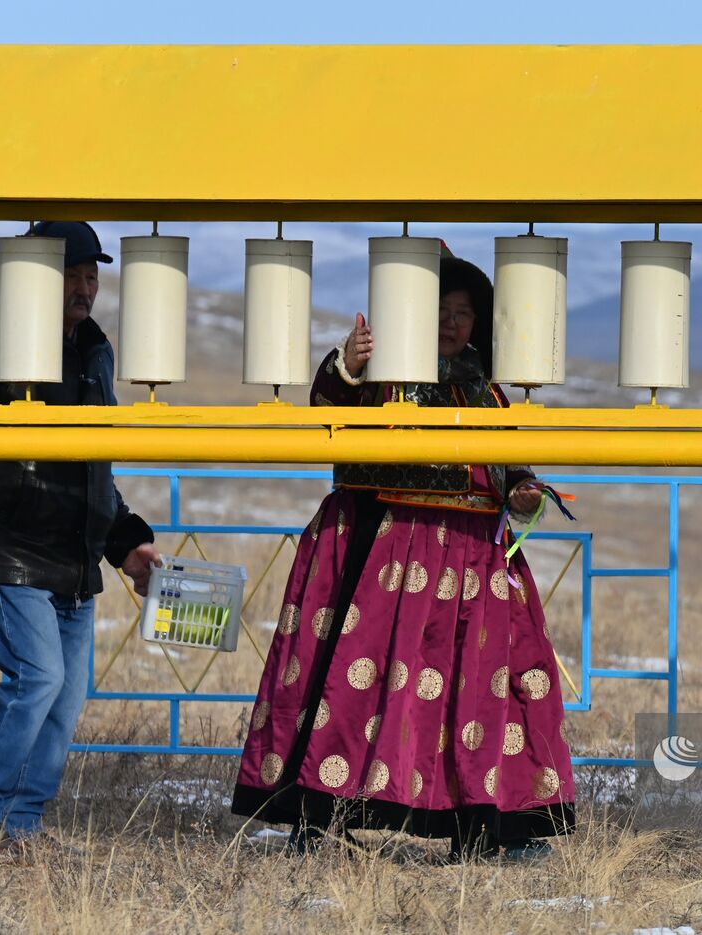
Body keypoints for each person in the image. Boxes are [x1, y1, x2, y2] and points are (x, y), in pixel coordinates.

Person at [231, 256, 575, 861]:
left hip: (473, 560)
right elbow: (329, 405)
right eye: (439, 311)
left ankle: (490, 828)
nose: (449, 323)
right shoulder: (381, 376)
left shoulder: (488, 389)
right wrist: (348, 365)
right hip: (386, 549)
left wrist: (522, 493)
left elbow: (508, 470)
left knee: (480, 691)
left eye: (462, 314)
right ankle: (318, 820)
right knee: (352, 682)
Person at [0, 221, 161, 858]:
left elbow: (94, 465)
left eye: (93, 274)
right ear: (39, 276)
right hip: (12, 547)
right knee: (36, 679)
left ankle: (20, 823)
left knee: (64, 696)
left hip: (72, 556)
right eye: (73, 273)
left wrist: (127, 545)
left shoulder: (96, 350)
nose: (86, 287)